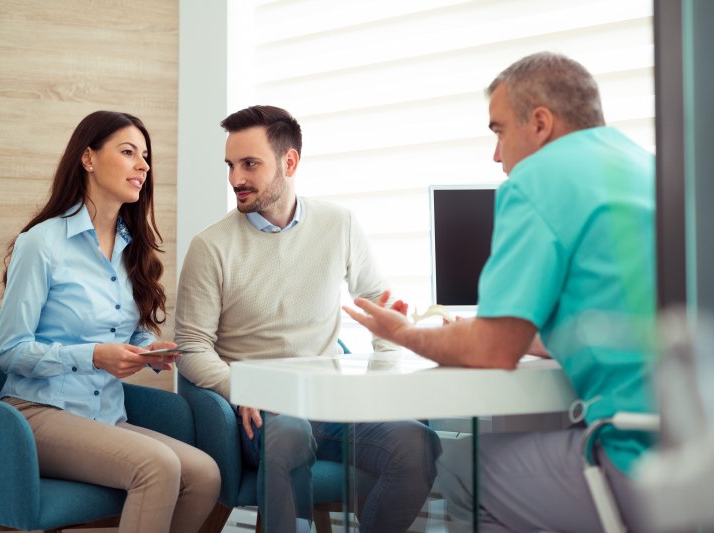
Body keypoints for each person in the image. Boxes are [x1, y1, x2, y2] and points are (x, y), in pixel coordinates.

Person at [344, 52, 656, 532]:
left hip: (639, 457)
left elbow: (493, 349)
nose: (496, 155)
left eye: (498, 131)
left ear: (540, 123)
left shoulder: (539, 179)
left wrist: (406, 333)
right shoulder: (651, 168)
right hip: (697, 446)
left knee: (461, 469)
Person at [174, 105, 442, 532]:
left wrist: (386, 368)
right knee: (290, 435)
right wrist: (242, 388)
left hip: (327, 402)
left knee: (417, 443)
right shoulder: (211, 247)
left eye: (249, 164)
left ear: (290, 162)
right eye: (230, 165)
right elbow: (191, 347)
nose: (235, 179)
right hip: (260, 414)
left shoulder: (339, 224)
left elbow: (378, 302)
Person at [0, 110, 220, 533]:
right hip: (37, 413)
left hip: (105, 416)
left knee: (204, 474)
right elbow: (10, 351)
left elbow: (126, 329)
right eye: (128, 152)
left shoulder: (132, 247)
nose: (143, 166)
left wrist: (147, 348)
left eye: (146, 156)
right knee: (158, 468)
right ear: (88, 158)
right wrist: (94, 357)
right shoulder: (41, 244)